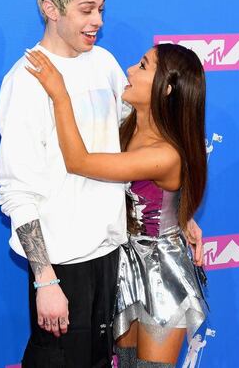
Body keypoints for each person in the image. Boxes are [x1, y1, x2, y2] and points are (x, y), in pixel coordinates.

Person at [0, 0, 204, 368]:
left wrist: (178, 213)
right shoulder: (25, 81)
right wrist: (46, 279)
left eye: (101, 9)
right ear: (51, 10)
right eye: (86, 10)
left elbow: (137, 146)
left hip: (113, 258)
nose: (97, 21)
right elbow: (17, 191)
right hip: (63, 266)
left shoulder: (105, 63)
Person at [25, 42, 209, 367]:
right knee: (123, 363)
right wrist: (185, 218)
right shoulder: (129, 122)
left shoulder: (164, 154)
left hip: (162, 272)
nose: (130, 70)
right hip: (124, 263)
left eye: (142, 66)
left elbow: (79, 161)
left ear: (165, 88)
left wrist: (60, 96)